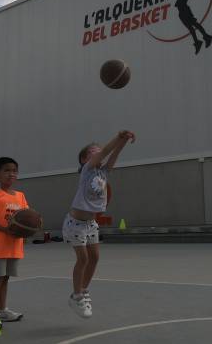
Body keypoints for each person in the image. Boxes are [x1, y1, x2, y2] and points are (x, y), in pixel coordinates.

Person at [64, 130, 135, 318]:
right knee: (83, 259)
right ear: (84, 160)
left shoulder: (104, 172)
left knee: (95, 258)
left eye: (98, 151)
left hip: (90, 223)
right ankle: (76, 295)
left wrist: (124, 141)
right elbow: (104, 153)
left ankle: (84, 290)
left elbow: (113, 154)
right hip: (75, 223)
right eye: (93, 152)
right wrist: (118, 136)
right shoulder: (87, 170)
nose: (98, 153)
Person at [0, 157, 28, 324]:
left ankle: (2, 309)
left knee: (6, 278)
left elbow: (26, 217)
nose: (11, 174)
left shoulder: (21, 196)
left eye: (14, 170)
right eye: (6, 170)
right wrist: (5, 230)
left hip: (15, 245)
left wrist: (32, 225)